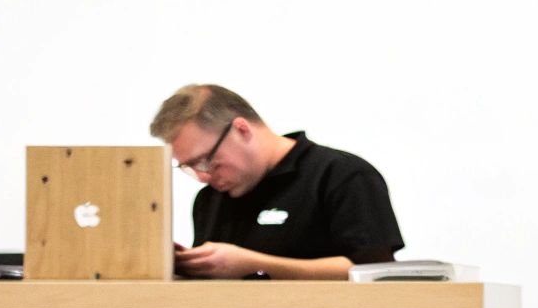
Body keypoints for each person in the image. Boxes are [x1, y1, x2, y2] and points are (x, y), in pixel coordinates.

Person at [149, 84, 403, 279]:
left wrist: (254, 265)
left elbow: (374, 274)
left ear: (241, 130)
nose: (203, 176)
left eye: (207, 160)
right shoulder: (210, 199)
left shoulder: (341, 175)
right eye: (188, 167)